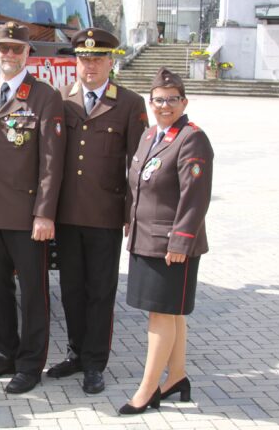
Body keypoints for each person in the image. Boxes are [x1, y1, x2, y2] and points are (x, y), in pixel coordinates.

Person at [48, 28, 147, 394]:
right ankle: (75, 352)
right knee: (71, 288)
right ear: (76, 61)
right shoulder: (61, 98)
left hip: (106, 215)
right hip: (68, 213)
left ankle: (95, 362)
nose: (90, 65)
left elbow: (138, 165)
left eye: (97, 58)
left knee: (100, 291)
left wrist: (131, 215)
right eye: (84, 58)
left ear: (111, 62)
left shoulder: (130, 103)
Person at [0, 21, 65, 394]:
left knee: (33, 293)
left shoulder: (44, 96)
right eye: (3, 48)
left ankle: (29, 364)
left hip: (27, 217)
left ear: (28, 54)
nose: (9, 54)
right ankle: (3, 355)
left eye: (16, 49)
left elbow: (51, 163)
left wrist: (45, 213)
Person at [119, 67, 213, 415]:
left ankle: (148, 389)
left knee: (160, 314)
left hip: (171, 244)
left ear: (184, 101)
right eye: (159, 100)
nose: (164, 105)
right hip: (146, 238)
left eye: (172, 100)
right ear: (151, 101)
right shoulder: (149, 136)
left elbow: (195, 197)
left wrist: (181, 241)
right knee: (170, 313)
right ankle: (176, 377)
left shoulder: (192, 138)